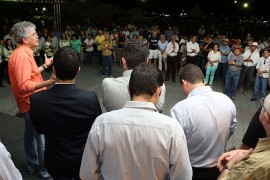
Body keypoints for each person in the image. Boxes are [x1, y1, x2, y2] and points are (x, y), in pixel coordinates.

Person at [80, 64, 192, 180]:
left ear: (128, 89)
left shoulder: (102, 123)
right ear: (158, 91)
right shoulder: (172, 129)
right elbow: (183, 176)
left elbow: (87, 173)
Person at [30, 46, 102, 179]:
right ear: (78, 70)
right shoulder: (89, 98)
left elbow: (39, 129)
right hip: (83, 159)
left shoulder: (37, 99)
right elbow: (96, 129)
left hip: (55, 160)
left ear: (53, 69)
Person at [171, 64, 237, 180]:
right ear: (204, 80)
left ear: (184, 83)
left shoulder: (180, 109)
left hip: (192, 170)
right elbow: (231, 130)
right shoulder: (226, 100)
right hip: (219, 166)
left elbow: (174, 146)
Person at [8, 21, 54, 179]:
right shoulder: (21, 56)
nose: (37, 36)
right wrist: (49, 81)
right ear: (25, 39)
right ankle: (44, 171)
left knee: (31, 136)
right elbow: (23, 85)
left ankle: (33, 165)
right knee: (41, 138)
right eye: (34, 34)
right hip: (32, 103)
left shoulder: (24, 52)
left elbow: (30, 74)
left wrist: (44, 66)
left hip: (30, 103)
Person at [102, 39, 166, 113]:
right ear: (147, 61)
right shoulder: (159, 87)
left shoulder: (107, 84)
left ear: (123, 61)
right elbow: (157, 111)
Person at [217, 95, 270, 180]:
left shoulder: (250, 168)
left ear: (266, 117)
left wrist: (230, 164)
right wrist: (243, 154)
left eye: (262, 105)